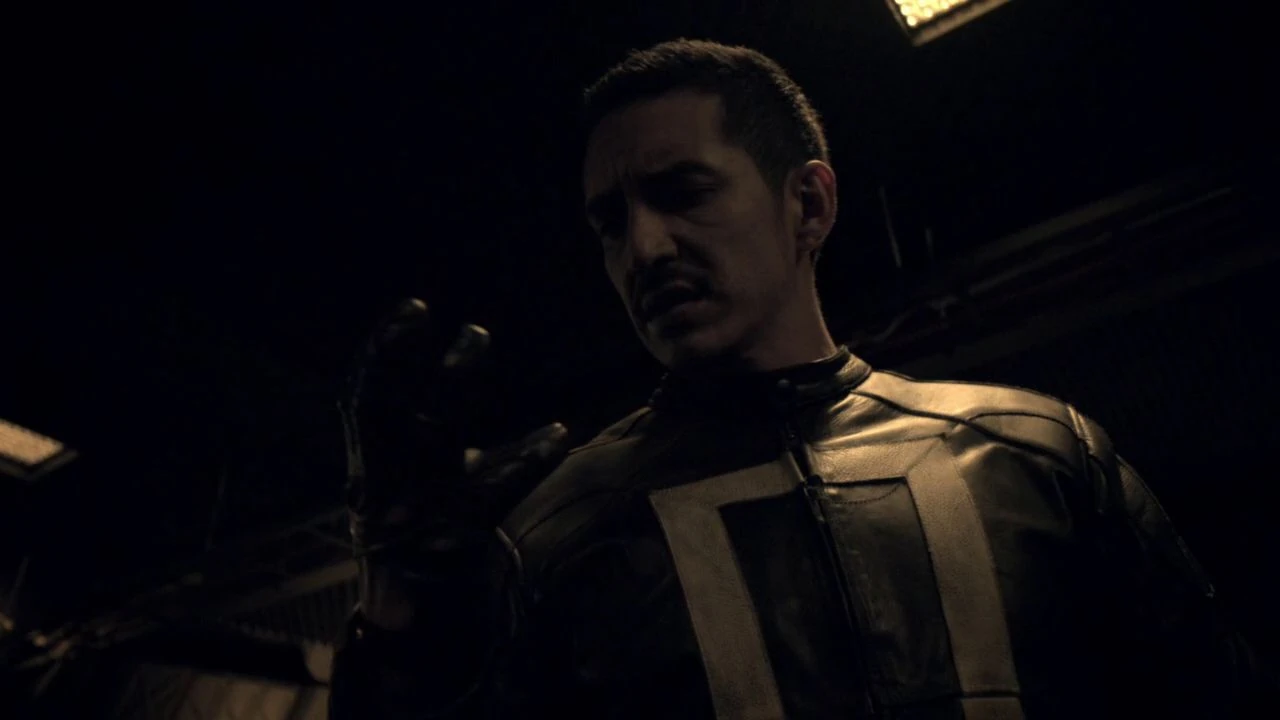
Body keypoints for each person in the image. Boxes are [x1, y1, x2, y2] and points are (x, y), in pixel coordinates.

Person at [328, 39, 1275, 719]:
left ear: (809, 203)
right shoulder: (557, 535)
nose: (643, 248)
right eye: (611, 222)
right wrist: (400, 628)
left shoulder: (1037, 458)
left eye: (683, 192)